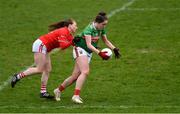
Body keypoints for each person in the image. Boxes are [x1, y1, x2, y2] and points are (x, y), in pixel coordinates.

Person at [53, 12, 121, 103]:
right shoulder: (88, 29)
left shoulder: (101, 29)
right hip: (80, 49)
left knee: (75, 76)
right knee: (85, 71)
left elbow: (106, 41)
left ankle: (58, 90)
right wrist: (100, 53)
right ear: (97, 22)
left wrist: (114, 48)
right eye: (103, 24)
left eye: (105, 24)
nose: (104, 26)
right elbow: (89, 45)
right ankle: (76, 96)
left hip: (88, 52)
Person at [11, 18, 78, 99]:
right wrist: (73, 41)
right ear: (70, 25)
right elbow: (63, 46)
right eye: (75, 25)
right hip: (41, 45)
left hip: (45, 48)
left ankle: (43, 92)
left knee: (48, 69)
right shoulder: (63, 31)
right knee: (39, 69)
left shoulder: (69, 34)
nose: (76, 27)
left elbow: (74, 43)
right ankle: (17, 76)